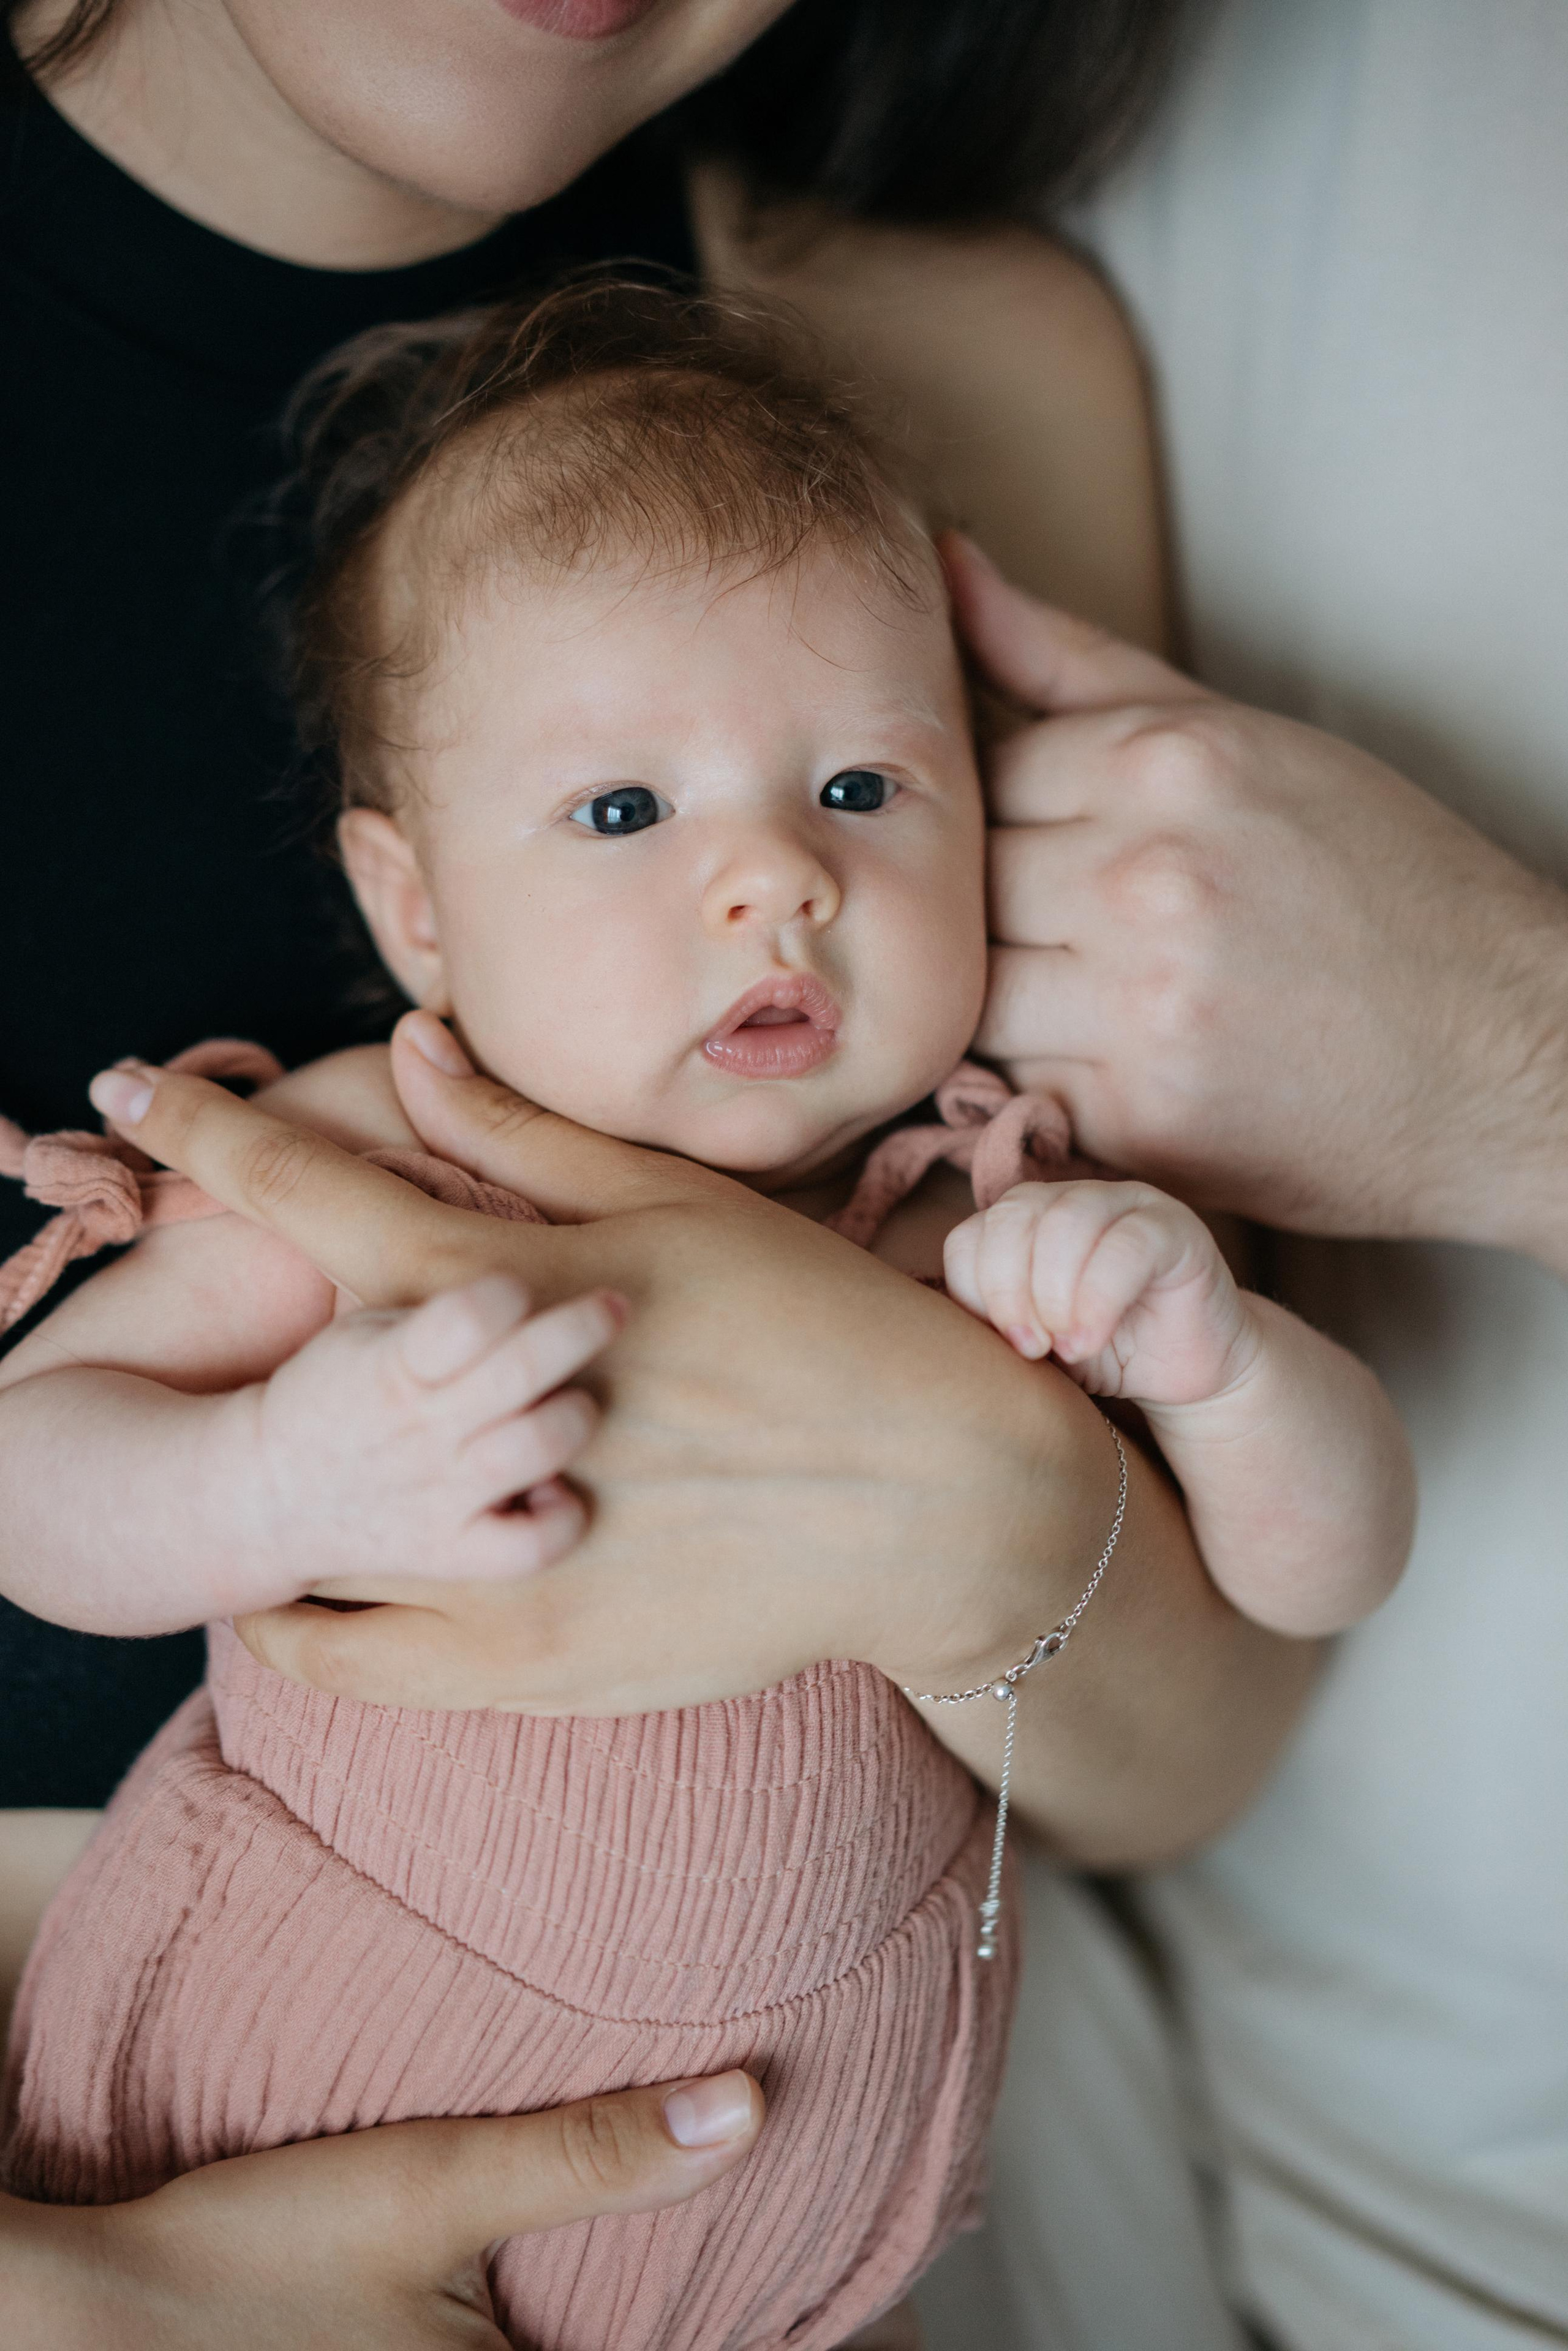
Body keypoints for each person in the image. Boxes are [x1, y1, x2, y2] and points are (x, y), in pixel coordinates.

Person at [2, 0, 1305, 2331]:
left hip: (785, 2242)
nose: (773, 883)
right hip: (153, 2149)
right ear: (406, 900)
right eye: (619, 809)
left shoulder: (945, 380)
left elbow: (1214, 1724)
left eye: (862, 793)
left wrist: (1004, 1499)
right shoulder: (356, 1161)